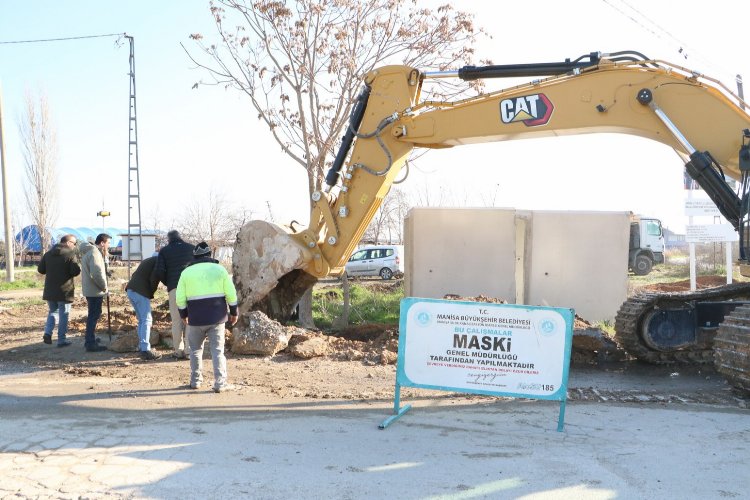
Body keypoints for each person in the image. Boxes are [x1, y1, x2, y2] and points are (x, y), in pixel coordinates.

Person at [176, 241, 238, 392]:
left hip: (195, 319)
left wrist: (184, 315)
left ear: (195, 256)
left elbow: (180, 298)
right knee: (217, 351)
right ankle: (220, 383)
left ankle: (195, 381)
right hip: (217, 318)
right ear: (209, 254)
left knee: (195, 350)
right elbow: (231, 294)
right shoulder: (220, 270)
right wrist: (234, 312)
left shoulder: (186, 273)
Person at [153, 230, 194, 359]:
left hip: (175, 288)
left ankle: (178, 350)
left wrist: (169, 283)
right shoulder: (192, 248)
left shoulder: (164, 251)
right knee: (190, 320)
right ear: (180, 237)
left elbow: (159, 271)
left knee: (177, 320)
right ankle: (189, 351)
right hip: (192, 288)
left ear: (169, 239)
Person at [38, 234, 81, 347]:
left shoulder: (48, 254)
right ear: (68, 243)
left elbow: (41, 270)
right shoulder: (70, 254)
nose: (75, 246)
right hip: (64, 291)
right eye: (74, 243)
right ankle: (61, 340)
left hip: (50, 290)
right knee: (64, 315)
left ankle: (48, 333)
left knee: (53, 311)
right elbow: (75, 271)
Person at [125, 252, 162, 360]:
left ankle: (142, 347)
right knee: (147, 319)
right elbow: (154, 278)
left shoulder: (146, 261)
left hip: (131, 290)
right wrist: (151, 292)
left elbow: (134, 275)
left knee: (141, 319)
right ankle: (145, 350)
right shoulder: (157, 262)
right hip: (140, 292)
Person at [79, 233, 111, 352]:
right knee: (93, 316)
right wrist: (104, 288)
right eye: (108, 243)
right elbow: (96, 273)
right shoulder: (95, 253)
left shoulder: (91, 252)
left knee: (93, 315)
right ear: (102, 243)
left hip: (91, 290)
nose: (109, 245)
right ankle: (90, 343)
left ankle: (90, 338)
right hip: (95, 291)